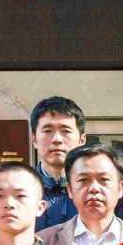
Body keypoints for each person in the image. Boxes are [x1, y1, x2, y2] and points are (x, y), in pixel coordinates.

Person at [30, 97, 87, 231]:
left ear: (82, 140)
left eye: (65, 131)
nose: (56, 139)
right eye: (47, 131)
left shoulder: (93, 190)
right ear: (34, 139)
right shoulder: (20, 190)